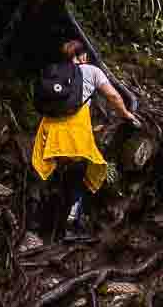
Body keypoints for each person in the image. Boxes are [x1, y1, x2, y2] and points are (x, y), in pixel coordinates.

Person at [31, 39, 140, 241]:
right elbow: (113, 96)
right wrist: (126, 114)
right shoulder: (91, 71)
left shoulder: (54, 72)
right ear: (83, 56)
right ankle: (70, 226)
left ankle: (38, 225)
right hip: (75, 136)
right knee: (77, 179)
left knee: (49, 177)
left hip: (49, 133)